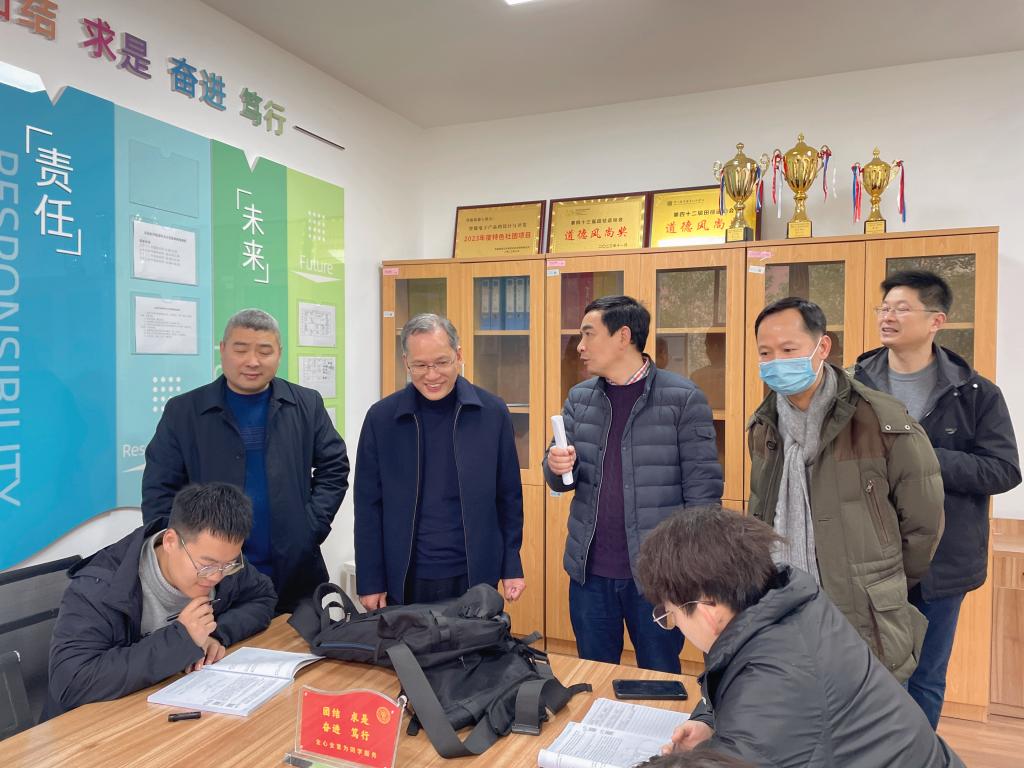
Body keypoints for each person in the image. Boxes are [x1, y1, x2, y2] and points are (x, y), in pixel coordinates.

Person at [635, 506, 966, 768]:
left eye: (671, 615)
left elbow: (764, 717)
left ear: (708, 609)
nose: (675, 625)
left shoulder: (778, 680)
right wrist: (709, 722)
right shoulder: (782, 605)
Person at [855, 269, 1021, 727]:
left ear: (936, 321)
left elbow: (1003, 470)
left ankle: (916, 755)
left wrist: (923, 456)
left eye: (901, 308)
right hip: (866, 557)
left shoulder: (976, 393)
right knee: (866, 674)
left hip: (942, 562)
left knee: (925, 676)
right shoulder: (853, 385)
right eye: (884, 307)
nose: (888, 316)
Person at [747, 296, 945, 681]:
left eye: (789, 350)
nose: (776, 362)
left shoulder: (880, 420)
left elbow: (923, 524)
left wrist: (878, 582)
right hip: (783, 610)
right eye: (765, 353)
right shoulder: (764, 425)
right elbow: (762, 513)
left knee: (869, 716)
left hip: (865, 617)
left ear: (822, 347)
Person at [544, 295, 722, 673]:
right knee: (592, 674)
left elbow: (703, 494)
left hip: (657, 578)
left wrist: (695, 572)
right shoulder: (580, 398)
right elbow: (560, 477)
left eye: (589, 334)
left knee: (659, 677)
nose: (579, 346)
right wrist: (555, 466)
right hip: (590, 573)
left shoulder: (682, 398)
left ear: (623, 336)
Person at [142, 309, 349, 613]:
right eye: (241, 350)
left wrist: (311, 526)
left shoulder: (306, 403)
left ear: (279, 353)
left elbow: (334, 467)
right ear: (223, 349)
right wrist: (179, 558)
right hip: (214, 579)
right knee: (225, 641)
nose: (252, 361)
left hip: (295, 571)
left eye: (264, 351)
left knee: (301, 641)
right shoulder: (184, 411)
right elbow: (159, 490)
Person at [46, 483, 276, 717]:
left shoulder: (221, 561)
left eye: (228, 565)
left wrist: (213, 635)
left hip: (165, 711)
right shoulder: (99, 587)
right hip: (93, 725)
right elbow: (71, 682)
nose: (216, 577)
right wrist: (181, 639)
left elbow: (263, 596)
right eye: (206, 566)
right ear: (170, 541)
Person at [354, 313, 525, 608]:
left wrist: (511, 564)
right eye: (420, 365)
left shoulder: (492, 412)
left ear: (458, 355)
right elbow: (368, 505)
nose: (431, 375)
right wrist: (370, 580)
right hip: (404, 577)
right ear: (406, 362)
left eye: (441, 362)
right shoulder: (381, 418)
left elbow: (508, 496)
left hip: (474, 572)